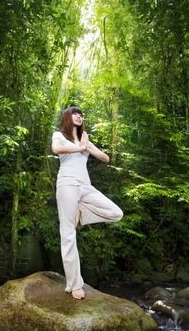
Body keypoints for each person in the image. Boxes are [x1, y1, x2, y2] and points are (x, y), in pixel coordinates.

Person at [51, 106, 123, 300]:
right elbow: (56, 149)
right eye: (75, 113)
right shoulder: (59, 135)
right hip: (67, 184)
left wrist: (88, 147)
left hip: (85, 187)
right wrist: (80, 147)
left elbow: (106, 158)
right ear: (67, 117)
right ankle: (74, 284)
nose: (79, 116)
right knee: (68, 234)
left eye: (81, 115)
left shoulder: (85, 140)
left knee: (116, 213)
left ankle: (81, 211)